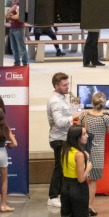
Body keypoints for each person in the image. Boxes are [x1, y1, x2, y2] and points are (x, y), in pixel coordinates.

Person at [79, 93, 109, 216]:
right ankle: (90, 206)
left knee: (80, 179)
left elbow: (78, 129)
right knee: (92, 181)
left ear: (92, 102)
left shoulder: (84, 115)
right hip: (98, 153)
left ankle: (80, 205)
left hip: (83, 151)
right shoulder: (105, 118)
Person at [59, 125, 92, 217]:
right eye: (84, 134)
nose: (87, 136)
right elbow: (81, 178)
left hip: (65, 186)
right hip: (78, 189)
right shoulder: (79, 154)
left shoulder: (65, 149)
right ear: (77, 137)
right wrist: (88, 167)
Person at [47, 72, 73, 208]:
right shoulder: (55, 102)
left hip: (65, 137)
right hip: (58, 138)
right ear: (56, 86)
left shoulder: (64, 98)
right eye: (64, 85)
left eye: (67, 84)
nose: (67, 87)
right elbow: (59, 122)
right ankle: (52, 196)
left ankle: (60, 194)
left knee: (64, 167)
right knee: (60, 168)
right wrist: (74, 117)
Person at [5, 0, 28, 66]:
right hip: (12, 28)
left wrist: (11, 15)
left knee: (21, 47)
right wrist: (12, 10)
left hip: (19, 28)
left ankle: (25, 63)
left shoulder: (20, 4)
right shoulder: (13, 4)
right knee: (14, 47)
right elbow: (6, 15)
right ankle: (16, 62)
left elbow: (17, 17)